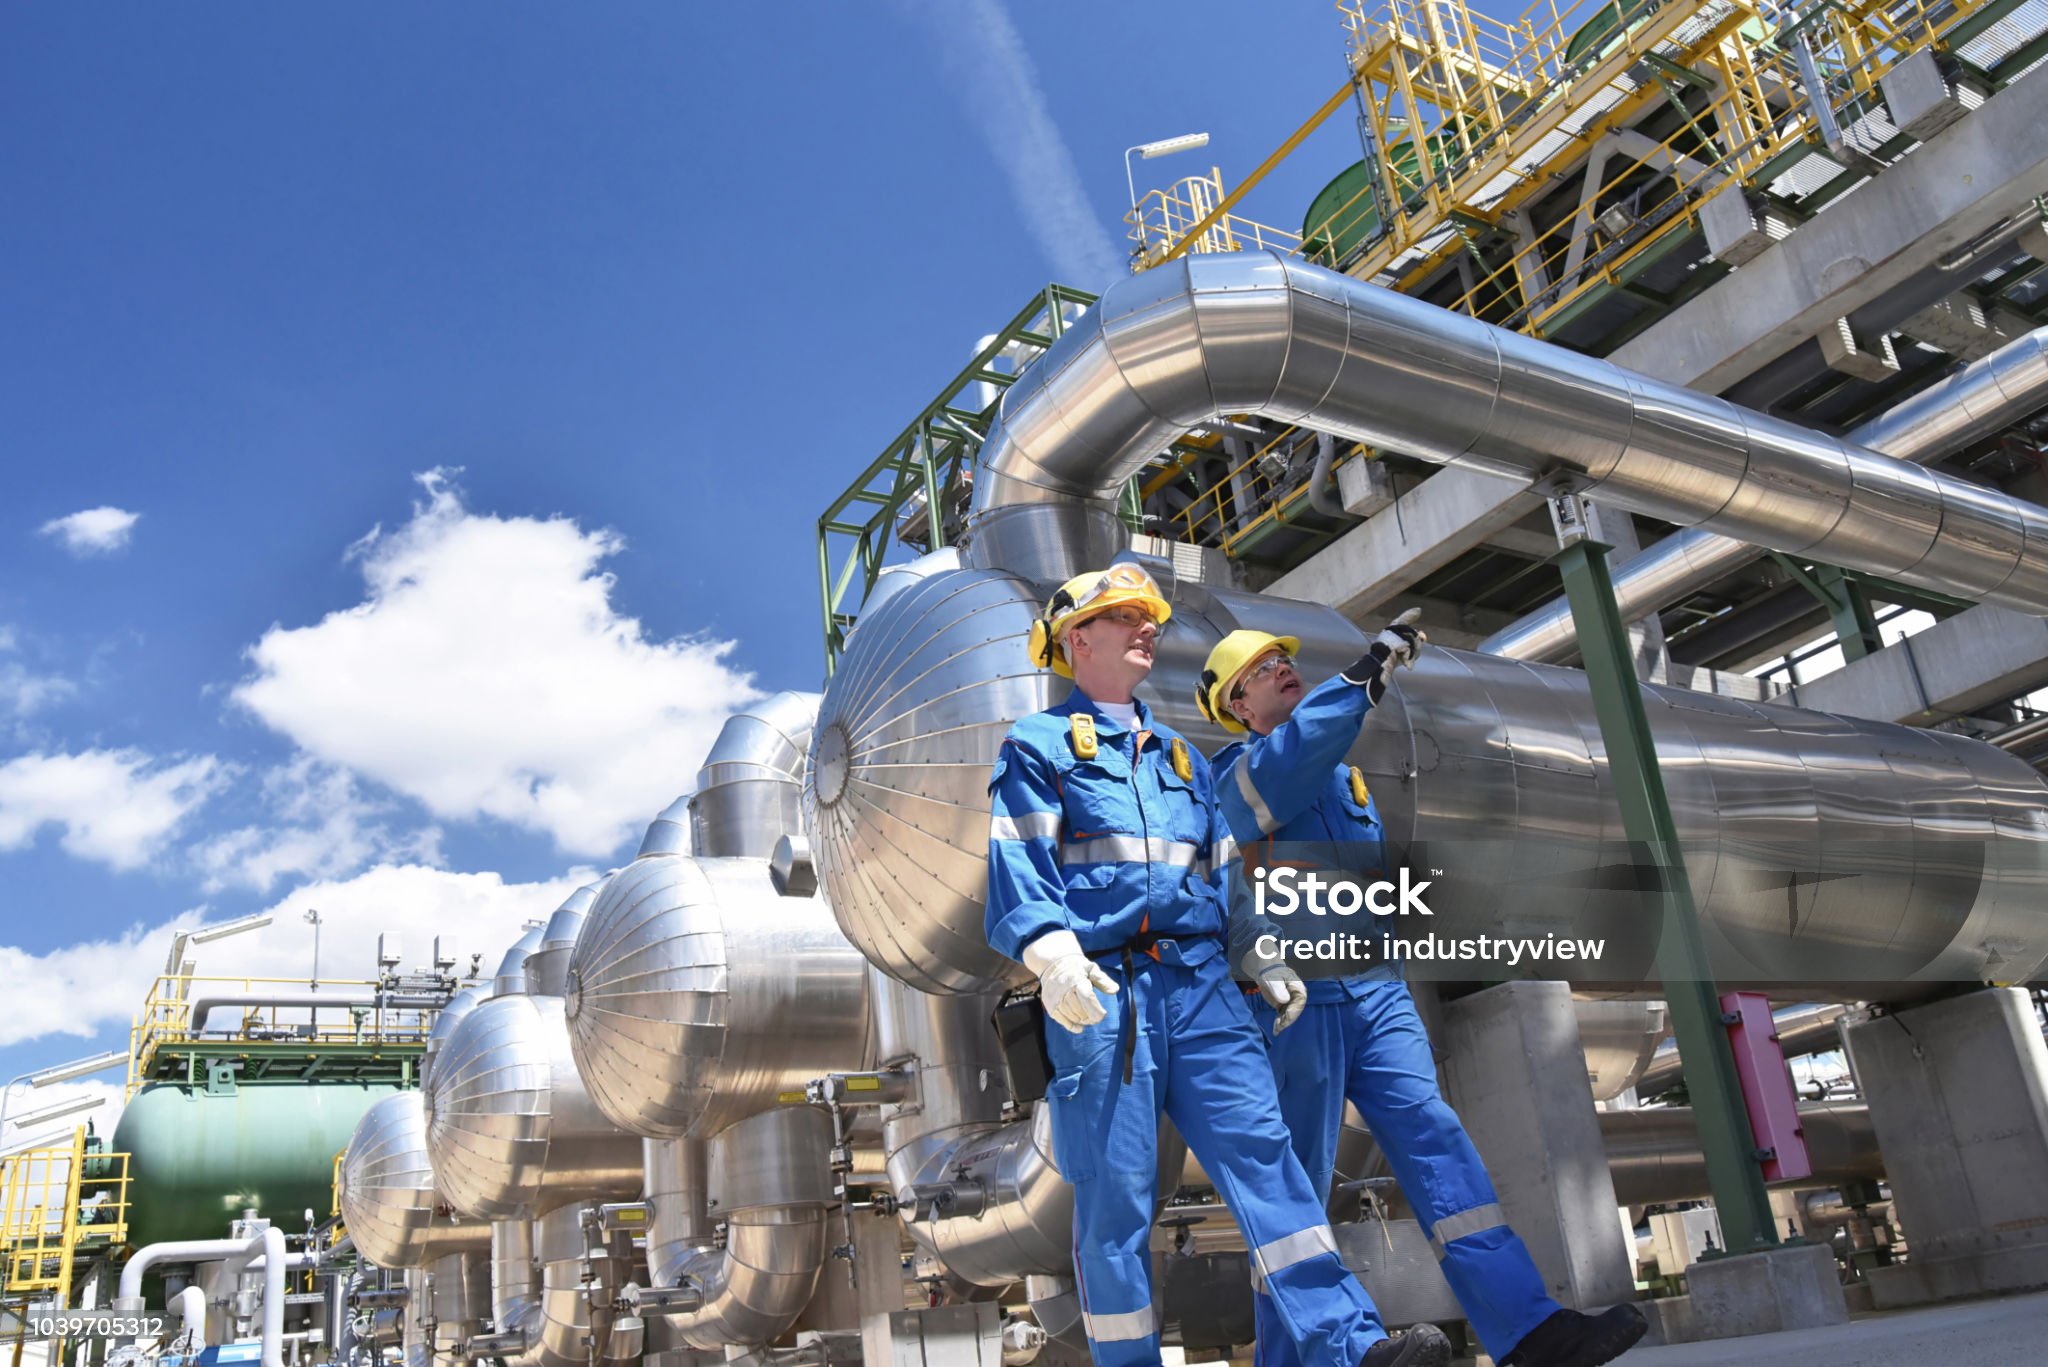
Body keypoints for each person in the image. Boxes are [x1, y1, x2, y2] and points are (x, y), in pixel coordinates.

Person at [986, 564, 1453, 1367]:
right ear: (1076, 639)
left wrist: (1259, 949)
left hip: (1203, 986)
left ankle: (1349, 1346)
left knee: (1268, 1160)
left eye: (1150, 617)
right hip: (1104, 992)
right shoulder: (1038, 746)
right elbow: (1017, 861)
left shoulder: (1181, 757)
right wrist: (1052, 952)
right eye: (1126, 615)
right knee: (1116, 1202)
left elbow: (1225, 872)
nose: (1148, 627)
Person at [1198, 624, 1650, 1367]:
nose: (1282, 669)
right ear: (1236, 705)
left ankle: (1527, 1330)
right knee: (1294, 1189)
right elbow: (1292, 762)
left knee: (1436, 1140)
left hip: (1376, 989)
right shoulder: (1237, 777)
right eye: (1262, 668)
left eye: (1284, 659)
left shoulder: (1342, 778)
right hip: (1296, 999)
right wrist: (1365, 675)